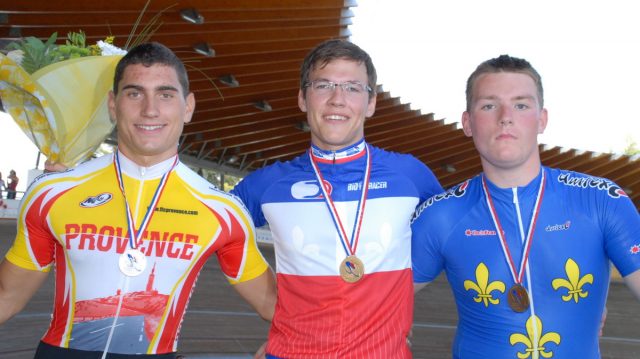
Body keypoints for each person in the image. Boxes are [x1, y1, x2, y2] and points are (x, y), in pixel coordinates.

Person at [0, 42, 277, 359]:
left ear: (187, 107)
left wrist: (289, 342)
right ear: (112, 105)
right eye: (134, 93)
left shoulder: (223, 212)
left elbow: (273, 305)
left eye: (165, 94)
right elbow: (7, 295)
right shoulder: (53, 192)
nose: (150, 109)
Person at [412, 54, 640, 358]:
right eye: (489, 105)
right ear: (467, 123)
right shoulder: (439, 216)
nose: (505, 116)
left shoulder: (601, 201)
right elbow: (368, 304)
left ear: (542, 119)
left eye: (521, 104)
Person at [231, 39, 443, 358]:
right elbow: (219, 234)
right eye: (324, 85)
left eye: (353, 88)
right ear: (303, 98)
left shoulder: (412, 176)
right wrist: (269, 305)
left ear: (371, 103)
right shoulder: (268, 184)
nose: (337, 99)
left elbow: (449, 237)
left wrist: (398, 302)